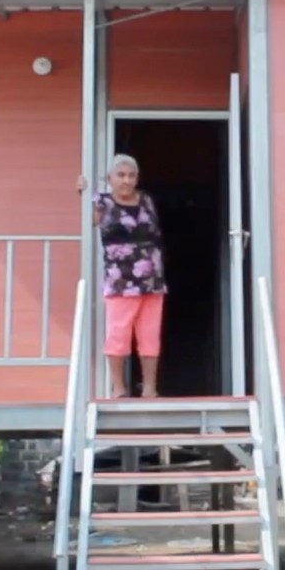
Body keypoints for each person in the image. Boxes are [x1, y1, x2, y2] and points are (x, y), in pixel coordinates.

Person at [77, 154, 166, 398]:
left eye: (131, 175)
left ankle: (149, 389)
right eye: (121, 175)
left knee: (150, 336)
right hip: (120, 281)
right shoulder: (102, 202)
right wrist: (82, 194)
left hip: (152, 281)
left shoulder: (146, 200)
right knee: (118, 334)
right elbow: (86, 224)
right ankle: (119, 388)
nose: (126, 180)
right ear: (110, 178)